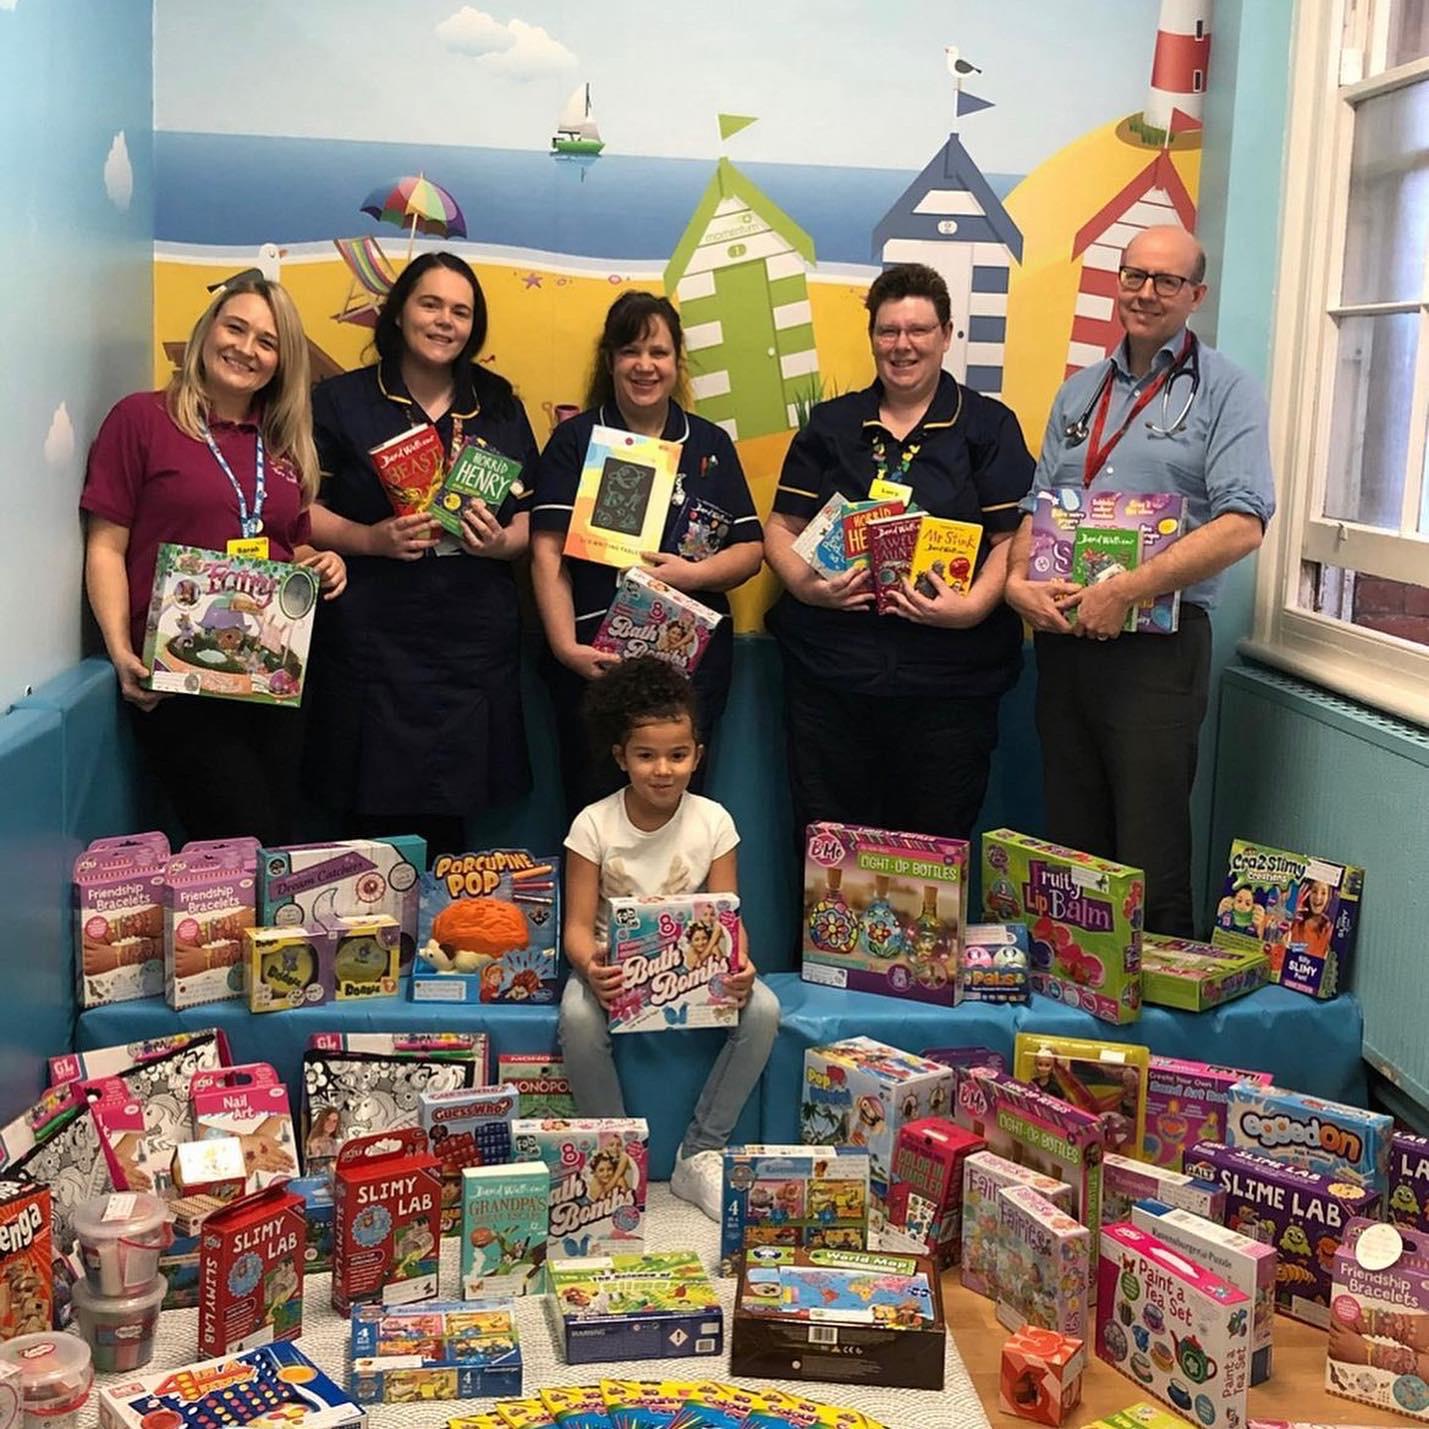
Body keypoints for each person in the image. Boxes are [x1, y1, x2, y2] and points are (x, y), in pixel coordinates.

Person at [1004, 225, 1276, 937]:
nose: (1145, 293)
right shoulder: (1078, 393)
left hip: (1156, 650)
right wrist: (1015, 583)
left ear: (1196, 295)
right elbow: (1038, 509)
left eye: (1165, 281)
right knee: (1070, 845)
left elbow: (1242, 523)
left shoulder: (1225, 392)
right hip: (1065, 644)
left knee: (1149, 849)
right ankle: (1076, 1013)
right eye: (1133, 276)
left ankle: (1153, 1030)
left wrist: (1127, 588)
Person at [763, 263, 1034, 842]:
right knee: (829, 854)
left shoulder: (988, 427)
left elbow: (1013, 537)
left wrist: (975, 608)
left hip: (949, 689)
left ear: (946, 334)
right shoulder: (832, 425)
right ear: (872, 338)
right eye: (888, 331)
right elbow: (780, 527)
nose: (902, 345)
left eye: (917, 330)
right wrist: (805, 586)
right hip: (832, 682)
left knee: (930, 856)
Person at [82, 279, 346, 847]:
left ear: (282, 362)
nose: (247, 349)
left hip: (273, 674)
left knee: (272, 842)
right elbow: (106, 545)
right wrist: (119, 650)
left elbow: (287, 547)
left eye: (267, 342)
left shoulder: (281, 446)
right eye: (236, 328)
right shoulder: (141, 420)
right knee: (242, 837)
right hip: (179, 677)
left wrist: (322, 561)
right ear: (208, 331)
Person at [302, 252, 537, 859]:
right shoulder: (341, 402)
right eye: (430, 304)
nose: (444, 322)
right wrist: (370, 538)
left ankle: (437, 950)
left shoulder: (500, 405)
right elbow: (302, 509)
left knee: (452, 820)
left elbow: (538, 518)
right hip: (369, 633)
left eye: (461, 311)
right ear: (400, 312)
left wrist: (501, 542)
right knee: (360, 808)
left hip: (471, 639)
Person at [558, 657, 779, 1219]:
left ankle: (700, 1153)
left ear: (697, 756)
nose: (663, 770)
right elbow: (577, 930)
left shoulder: (714, 821)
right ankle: (614, 1150)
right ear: (621, 757)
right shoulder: (593, 824)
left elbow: (730, 912)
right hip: (615, 971)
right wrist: (591, 967)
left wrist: (741, 963)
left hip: (695, 970)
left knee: (763, 1010)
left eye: (677, 755)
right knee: (580, 1020)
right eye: (646, 755)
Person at [530, 293, 764, 818]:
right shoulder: (574, 441)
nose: (645, 365)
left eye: (658, 352)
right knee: (595, 815)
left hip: (690, 668)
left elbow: (751, 550)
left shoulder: (708, 444)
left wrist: (694, 573)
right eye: (631, 351)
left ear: (677, 360)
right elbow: (547, 552)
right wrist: (566, 647)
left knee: (684, 816)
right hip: (596, 662)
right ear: (610, 359)